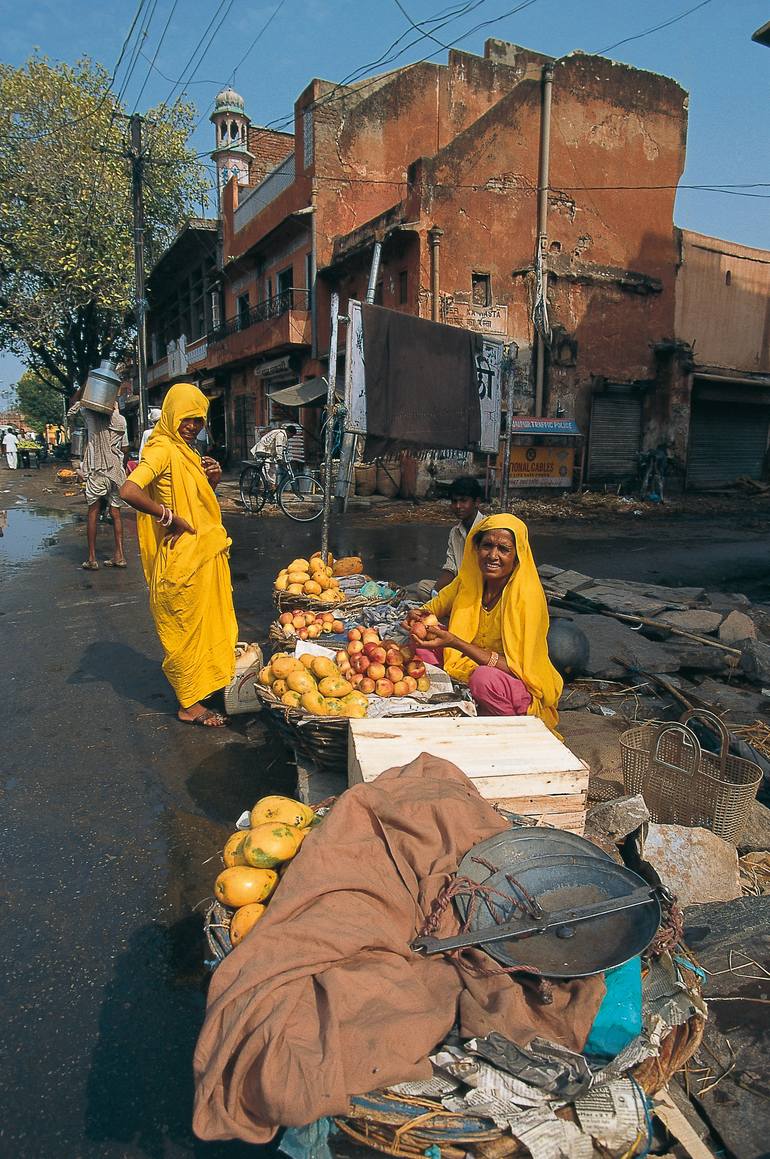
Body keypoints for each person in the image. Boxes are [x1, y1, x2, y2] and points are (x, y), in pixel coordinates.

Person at [119, 382, 237, 728]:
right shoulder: (162, 449)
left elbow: (196, 501)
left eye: (198, 420)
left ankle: (203, 686)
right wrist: (169, 517)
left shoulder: (187, 452)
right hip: (183, 559)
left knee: (208, 625)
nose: (191, 426)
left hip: (204, 552)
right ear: (171, 415)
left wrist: (212, 480)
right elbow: (129, 490)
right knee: (185, 630)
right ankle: (189, 705)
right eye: (186, 418)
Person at [405, 513, 562, 729]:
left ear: (517, 556)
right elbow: (433, 606)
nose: (493, 555)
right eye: (487, 546)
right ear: (476, 549)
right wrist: (417, 617)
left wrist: (456, 643)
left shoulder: (526, 597)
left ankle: (511, 728)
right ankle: (470, 704)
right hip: (468, 665)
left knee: (484, 679)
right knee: (419, 644)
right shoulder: (469, 580)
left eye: (504, 549)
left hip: (513, 681)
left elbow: (516, 668)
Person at [67, 394, 128, 570]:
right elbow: (125, 447)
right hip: (116, 471)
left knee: (93, 511)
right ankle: (120, 556)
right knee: (116, 513)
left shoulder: (90, 416)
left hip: (98, 469)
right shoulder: (121, 420)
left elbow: (77, 402)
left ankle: (92, 558)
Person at [250, 423, 298, 489]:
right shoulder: (280, 434)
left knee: (273, 470)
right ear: (289, 433)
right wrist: (279, 458)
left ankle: (272, 488)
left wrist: (285, 459)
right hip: (263, 450)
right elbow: (279, 446)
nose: (290, 437)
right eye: (291, 436)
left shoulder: (284, 437)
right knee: (266, 468)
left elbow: (283, 450)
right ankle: (262, 487)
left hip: (270, 454)